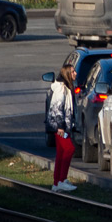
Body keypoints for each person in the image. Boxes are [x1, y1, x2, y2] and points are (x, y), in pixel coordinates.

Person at [48, 63, 78, 192]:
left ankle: (56, 183)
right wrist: (60, 126)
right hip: (60, 128)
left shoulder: (67, 87)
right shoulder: (61, 88)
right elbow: (58, 107)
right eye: (72, 72)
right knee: (69, 149)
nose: (75, 73)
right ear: (67, 74)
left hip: (63, 127)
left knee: (61, 153)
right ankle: (62, 179)